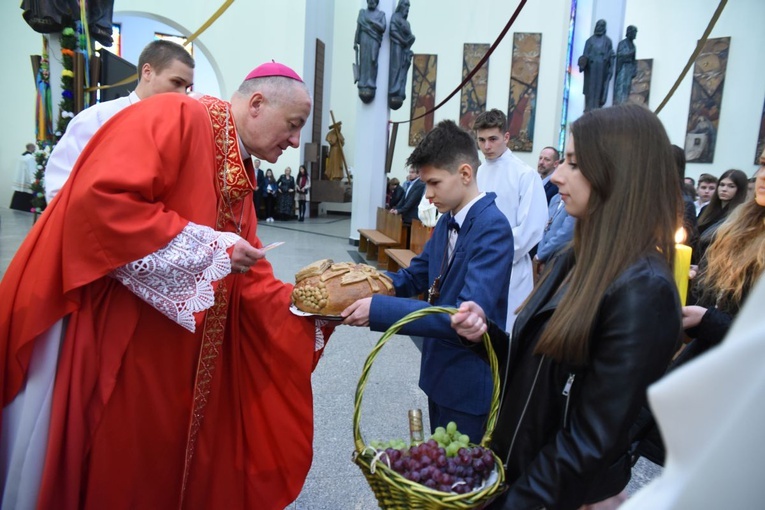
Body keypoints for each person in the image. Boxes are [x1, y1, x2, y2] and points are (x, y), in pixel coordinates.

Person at [0, 62, 335, 510]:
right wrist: (212, 250)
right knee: (119, 466)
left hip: (177, 359)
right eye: (293, 126)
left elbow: (250, 279)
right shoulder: (178, 117)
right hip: (122, 342)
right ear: (257, 103)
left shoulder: (236, 172)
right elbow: (99, 203)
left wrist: (310, 306)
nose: (295, 142)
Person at [451, 104, 682, 510]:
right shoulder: (574, 258)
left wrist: (516, 502)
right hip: (520, 471)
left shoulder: (644, 289)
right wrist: (484, 335)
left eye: (574, 164)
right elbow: (537, 369)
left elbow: (591, 437)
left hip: (556, 493)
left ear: (619, 173)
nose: (557, 175)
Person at [342, 119, 513, 443]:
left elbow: (460, 316)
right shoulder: (449, 220)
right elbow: (414, 276)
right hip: (439, 373)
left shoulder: (493, 227)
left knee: (458, 479)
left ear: (465, 174)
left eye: (434, 183)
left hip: (467, 380)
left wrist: (378, 310)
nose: (428, 194)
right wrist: (356, 285)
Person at [630, 147, 765, 470]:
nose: (763, 177)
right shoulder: (738, 229)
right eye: (763, 165)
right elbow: (716, 299)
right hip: (703, 367)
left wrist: (708, 320)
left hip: (743, 395)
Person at [44, 39, 195, 203]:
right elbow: (59, 188)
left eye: (187, 88)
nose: (182, 95)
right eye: (176, 82)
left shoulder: (177, 129)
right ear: (147, 72)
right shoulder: (99, 118)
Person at [473, 109, 547, 330]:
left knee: (505, 333)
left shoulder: (525, 175)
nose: (487, 146)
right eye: (481, 140)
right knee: (477, 330)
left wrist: (492, 251)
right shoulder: (477, 172)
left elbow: (532, 228)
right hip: (476, 263)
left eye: (493, 139)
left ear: (506, 137)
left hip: (510, 267)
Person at [696, 168, 748, 260]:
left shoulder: (742, 215)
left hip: (719, 261)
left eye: (731, 186)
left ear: (739, 189)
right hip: (697, 258)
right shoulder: (706, 210)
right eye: (722, 185)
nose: (724, 189)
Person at [354, 0, 386, 103]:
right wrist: (355, 41)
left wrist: (373, 22)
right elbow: (358, 28)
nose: (372, 1)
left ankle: (371, 82)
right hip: (364, 38)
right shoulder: (362, 13)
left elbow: (383, 27)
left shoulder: (381, 15)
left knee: (373, 60)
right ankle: (363, 83)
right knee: (363, 60)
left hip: (374, 39)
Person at [578, 19, 614, 112]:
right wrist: (583, 63)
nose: (599, 27)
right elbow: (585, 55)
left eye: (601, 26)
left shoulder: (608, 41)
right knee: (590, 89)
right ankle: (589, 108)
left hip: (602, 69)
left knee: (599, 89)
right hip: (591, 68)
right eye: (598, 25)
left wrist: (610, 69)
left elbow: (610, 57)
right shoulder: (590, 41)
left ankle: (597, 108)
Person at [388, 0, 415, 110]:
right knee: (396, 67)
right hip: (397, 46)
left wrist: (410, 40)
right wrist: (403, 41)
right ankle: (394, 88)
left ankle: (399, 89)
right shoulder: (395, 17)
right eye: (406, 5)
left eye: (409, 6)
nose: (407, 8)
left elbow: (410, 36)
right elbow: (393, 31)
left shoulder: (406, 23)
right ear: (401, 6)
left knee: (403, 68)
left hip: (405, 49)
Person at [613, 25, 638, 105]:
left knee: (627, 87)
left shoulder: (633, 46)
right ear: (629, 33)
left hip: (629, 69)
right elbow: (619, 55)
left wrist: (634, 70)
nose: (635, 35)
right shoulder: (622, 43)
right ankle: (619, 104)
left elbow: (634, 59)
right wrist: (628, 54)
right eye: (634, 33)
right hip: (623, 69)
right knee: (621, 87)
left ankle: (624, 104)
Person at [9, 143, 37, 212]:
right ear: (32, 148)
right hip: (27, 182)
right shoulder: (30, 158)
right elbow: (32, 170)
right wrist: (34, 182)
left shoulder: (21, 156)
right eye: (34, 148)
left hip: (20, 181)